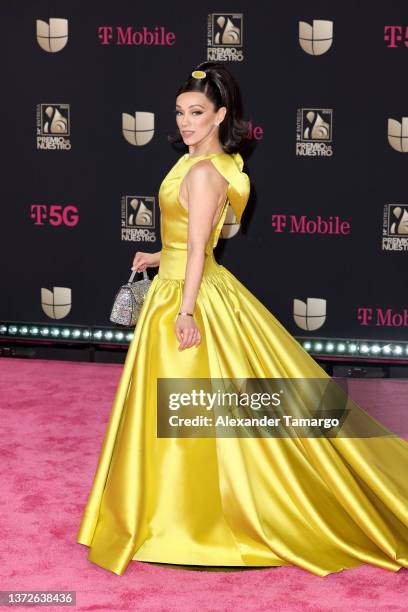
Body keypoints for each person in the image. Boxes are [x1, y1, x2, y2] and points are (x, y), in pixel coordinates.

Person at [77, 61, 408, 577]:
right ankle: (167, 512)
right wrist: (156, 256)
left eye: (197, 113)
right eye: (180, 112)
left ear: (220, 114)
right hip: (176, 284)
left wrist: (185, 312)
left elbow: (199, 253)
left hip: (187, 298)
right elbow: (190, 241)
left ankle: (191, 520)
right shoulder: (197, 165)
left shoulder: (207, 172)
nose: (185, 122)